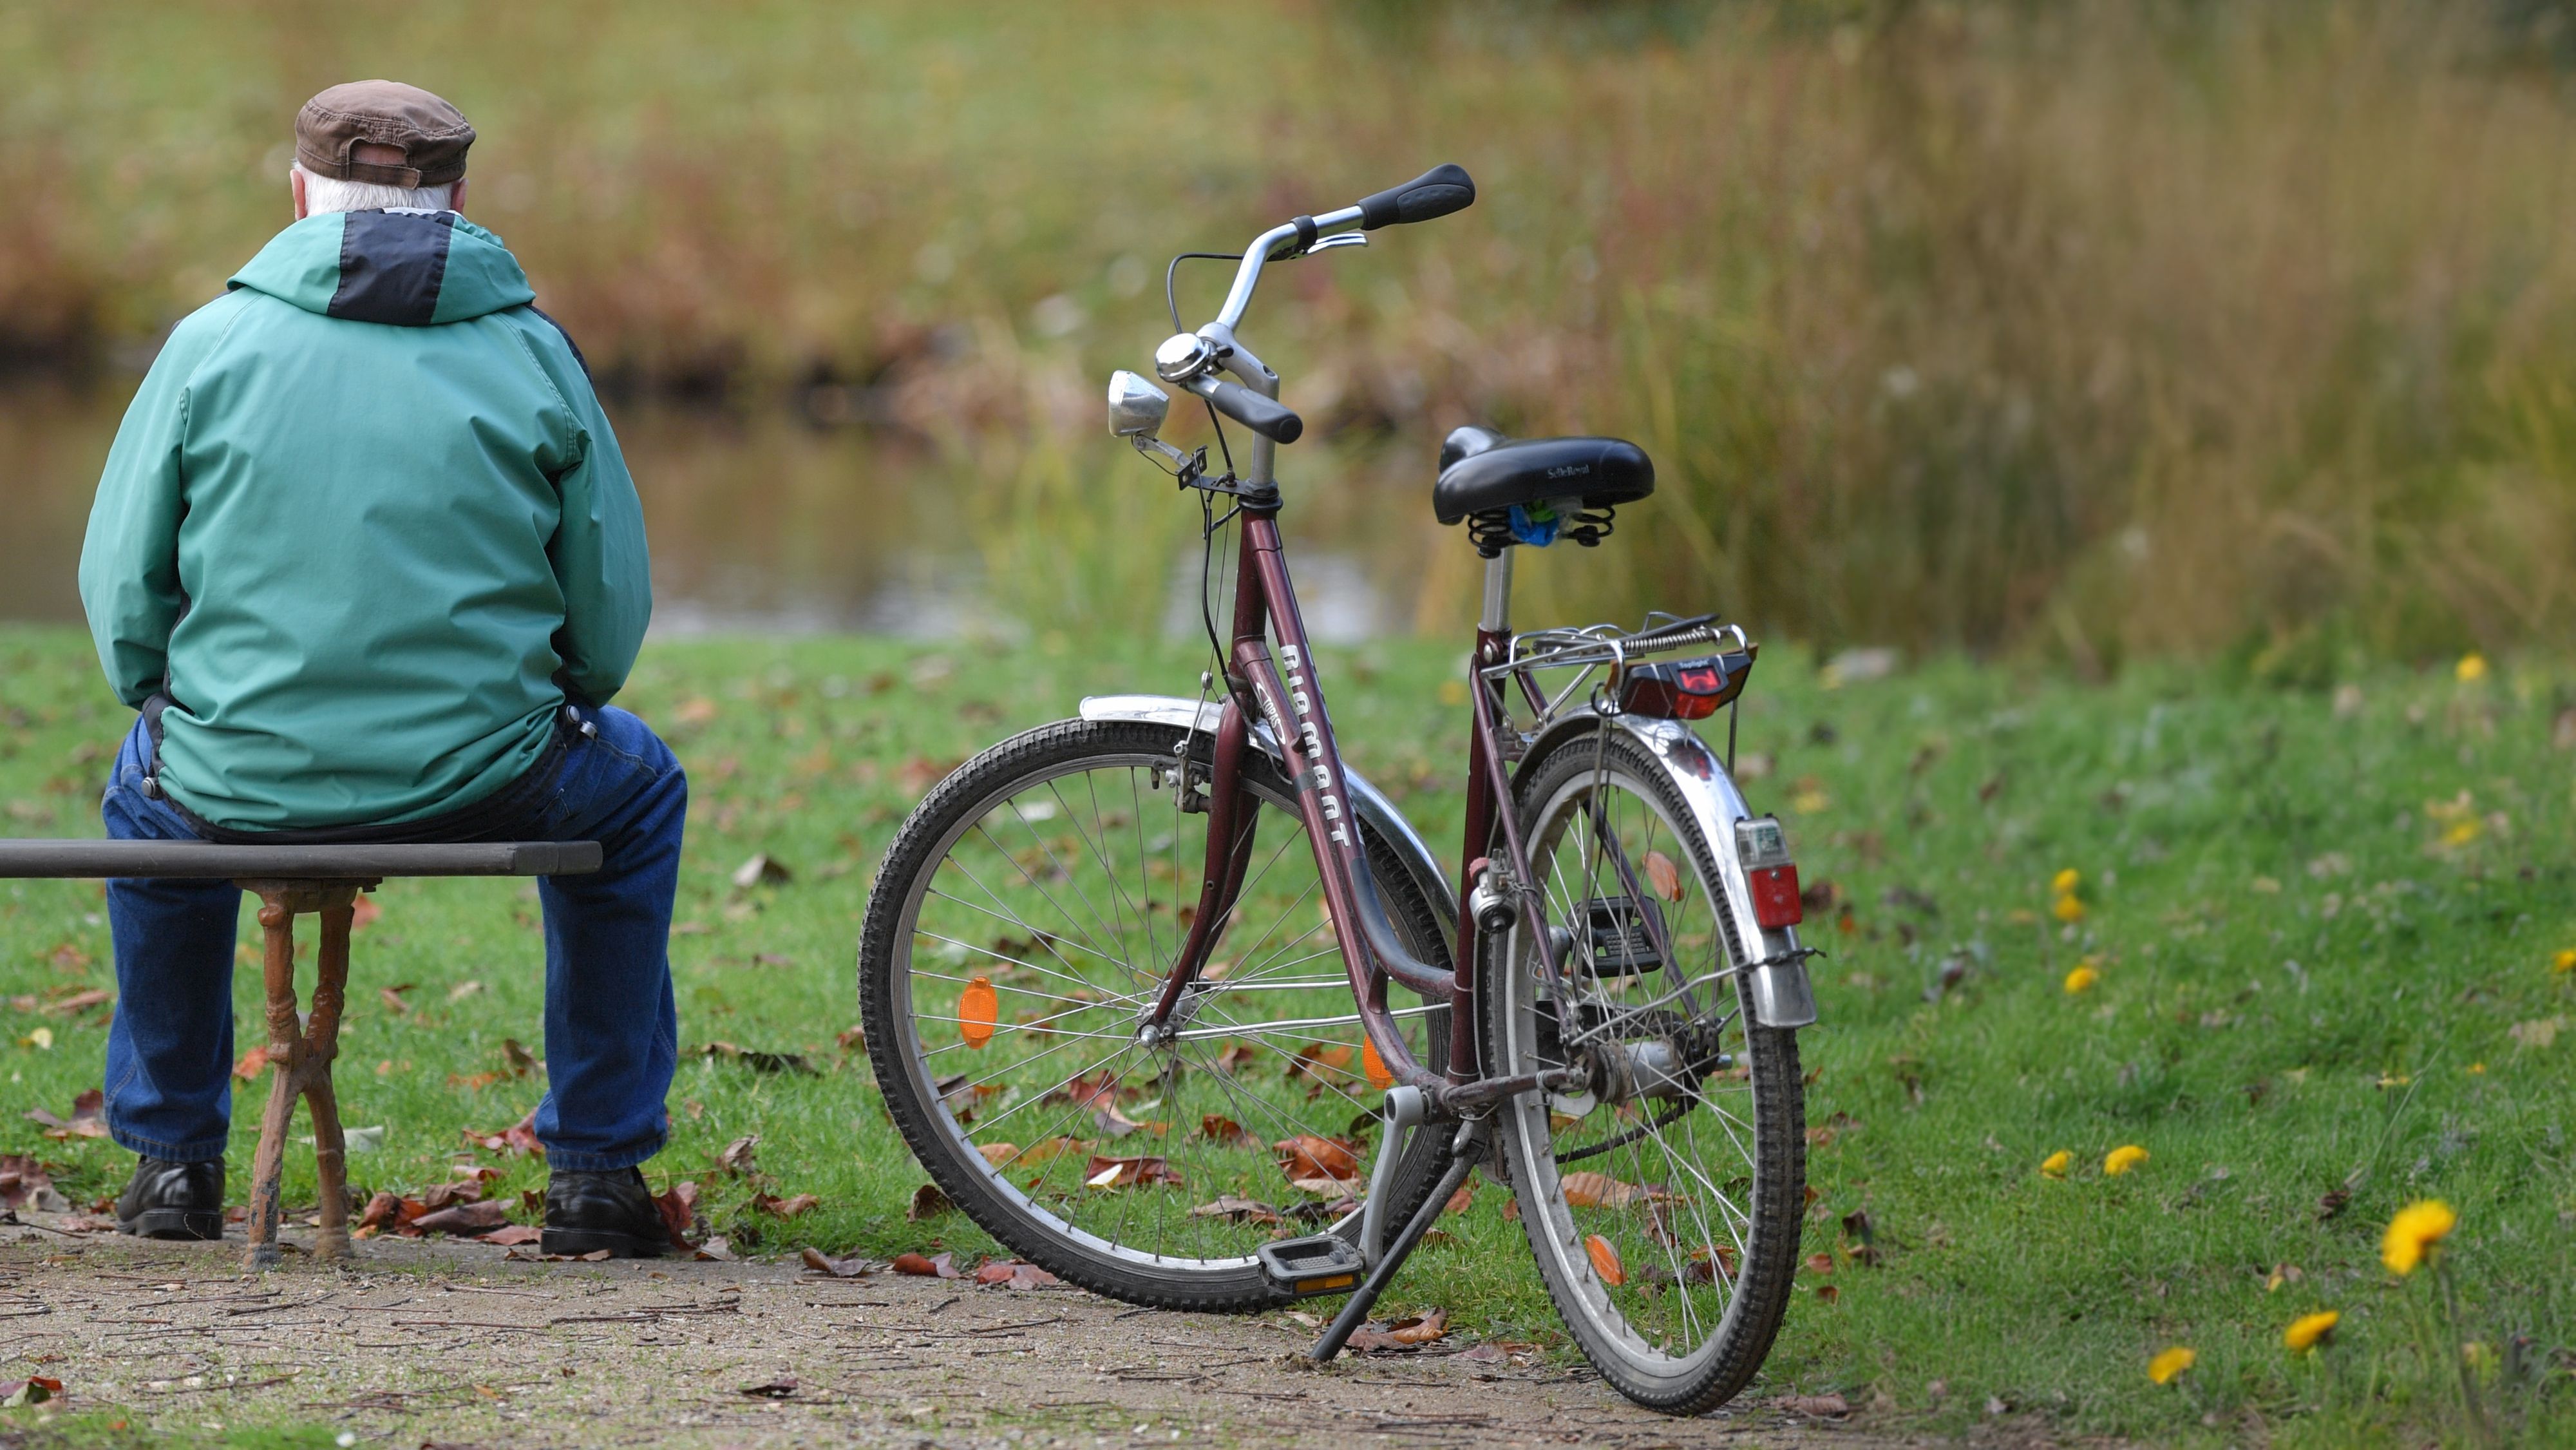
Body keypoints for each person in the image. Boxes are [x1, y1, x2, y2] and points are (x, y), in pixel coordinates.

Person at [77, 81, 685, 1257]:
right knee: (639, 784)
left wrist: (169, 699)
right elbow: (607, 623)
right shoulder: (534, 351)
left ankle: (171, 1162)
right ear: (460, 202)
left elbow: (122, 601)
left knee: (145, 791)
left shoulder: (209, 344)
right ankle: (599, 1176)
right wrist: (550, 697)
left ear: (300, 194)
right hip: (490, 775)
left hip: (232, 767)